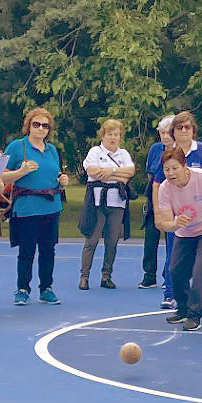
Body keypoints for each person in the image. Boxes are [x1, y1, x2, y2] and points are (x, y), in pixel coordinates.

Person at [155, 146, 202, 330]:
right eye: (166, 169)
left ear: (184, 166)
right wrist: (175, 223)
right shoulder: (165, 189)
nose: (171, 173)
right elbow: (166, 223)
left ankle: (195, 315)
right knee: (176, 271)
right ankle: (183, 309)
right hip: (185, 233)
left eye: (174, 168)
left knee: (201, 269)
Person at [3, 106, 67, 305]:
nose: (40, 128)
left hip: (51, 207)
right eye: (36, 124)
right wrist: (20, 172)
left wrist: (62, 180)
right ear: (28, 126)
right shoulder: (17, 147)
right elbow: (1, 175)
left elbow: (54, 174)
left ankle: (46, 288)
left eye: (45, 126)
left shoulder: (52, 150)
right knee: (27, 251)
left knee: (48, 250)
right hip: (27, 207)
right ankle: (22, 289)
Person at [79, 118, 134, 291]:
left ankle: (106, 276)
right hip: (97, 202)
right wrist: (118, 175)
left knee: (112, 242)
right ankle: (84, 276)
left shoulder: (123, 154)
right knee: (92, 240)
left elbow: (130, 172)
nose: (113, 138)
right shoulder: (95, 151)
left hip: (117, 202)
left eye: (116, 134)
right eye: (110, 134)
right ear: (103, 135)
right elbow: (93, 171)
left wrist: (110, 171)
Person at [139, 114, 175, 288]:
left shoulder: (180, 151)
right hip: (154, 199)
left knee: (172, 240)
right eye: (162, 133)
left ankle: (169, 275)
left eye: (168, 132)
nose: (165, 136)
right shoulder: (155, 149)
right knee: (150, 239)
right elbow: (150, 174)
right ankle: (149, 275)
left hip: (174, 201)